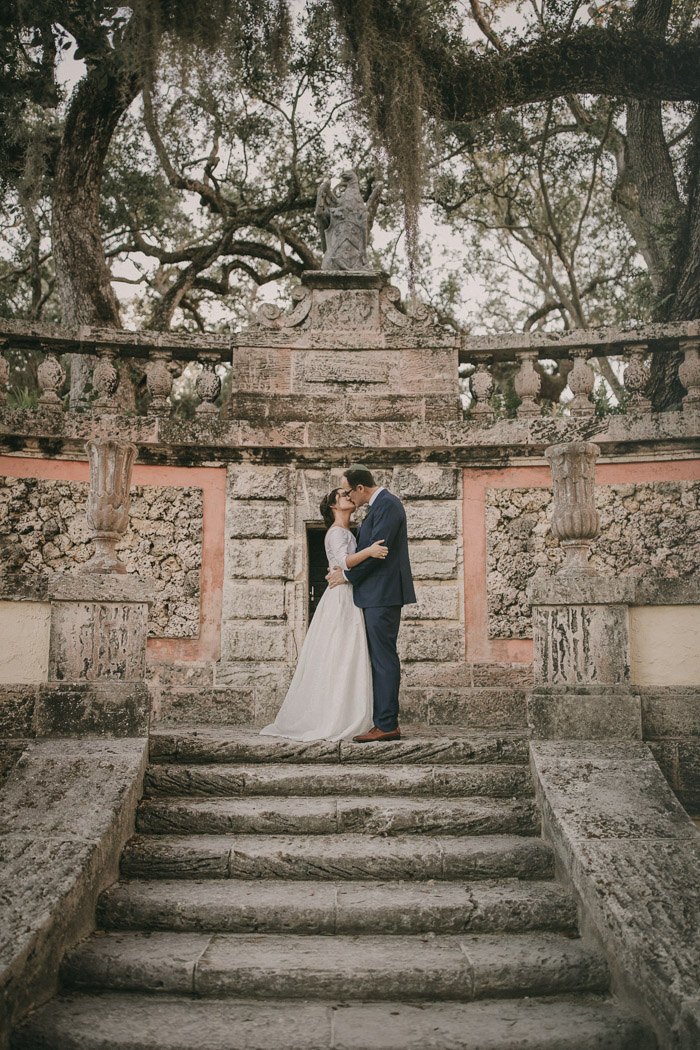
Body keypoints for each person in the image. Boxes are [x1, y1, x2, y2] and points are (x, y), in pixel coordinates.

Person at [259, 487, 388, 741]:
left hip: (349, 595)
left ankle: (346, 712)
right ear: (333, 506)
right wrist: (370, 551)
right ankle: (333, 716)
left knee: (348, 655)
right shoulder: (336, 532)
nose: (349, 497)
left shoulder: (349, 531)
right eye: (342, 496)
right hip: (341, 599)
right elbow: (344, 559)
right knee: (339, 654)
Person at [326, 465, 416, 742]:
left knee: (383, 658)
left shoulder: (388, 505)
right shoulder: (378, 507)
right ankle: (381, 720)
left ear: (361, 488)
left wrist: (347, 576)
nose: (350, 498)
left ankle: (387, 724)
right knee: (378, 658)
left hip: (383, 595)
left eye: (350, 492)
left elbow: (381, 553)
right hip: (375, 594)